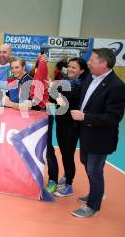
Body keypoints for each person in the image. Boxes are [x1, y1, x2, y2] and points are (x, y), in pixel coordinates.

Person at [70, 48, 125, 218]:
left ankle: (93, 206)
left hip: (101, 138)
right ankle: (96, 193)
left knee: (94, 170)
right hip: (86, 134)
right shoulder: (90, 77)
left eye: (93, 60)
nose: (89, 63)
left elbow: (113, 117)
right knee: (86, 162)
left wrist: (85, 116)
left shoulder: (116, 86)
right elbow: (81, 96)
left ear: (104, 63)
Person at [45, 57, 88, 197]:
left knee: (68, 155)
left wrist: (53, 89)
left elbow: (62, 98)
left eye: (74, 67)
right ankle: (66, 177)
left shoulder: (80, 85)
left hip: (71, 126)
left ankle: (69, 184)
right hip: (61, 122)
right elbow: (52, 98)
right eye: (69, 66)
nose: (70, 69)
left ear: (81, 71)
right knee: (64, 153)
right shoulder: (65, 80)